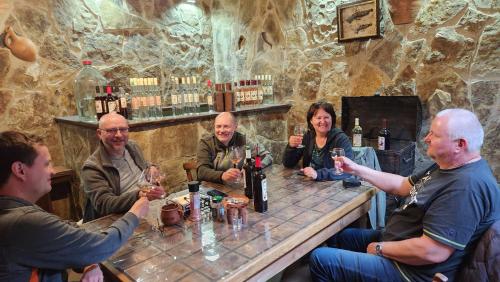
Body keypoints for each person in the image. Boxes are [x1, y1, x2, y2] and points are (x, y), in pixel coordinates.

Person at [309, 108, 500, 282]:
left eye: (434, 134)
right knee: (342, 237)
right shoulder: (447, 166)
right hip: (397, 241)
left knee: (320, 258)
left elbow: (432, 251)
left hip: (409, 272)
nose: (426, 138)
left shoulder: (466, 186)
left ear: (459, 144)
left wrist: (379, 248)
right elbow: (402, 185)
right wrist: (356, 168)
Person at [0, 130, 149, 282]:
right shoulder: (22, 222)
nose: (52, 171)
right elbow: (101, 246)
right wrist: (135, 213)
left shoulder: (15, 210)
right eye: (46, 164)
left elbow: (67, 229)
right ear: (20, 170)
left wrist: (88, 260)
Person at [82, 112, 164, 222]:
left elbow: (144, 166)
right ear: (99, 133)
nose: (119, 135)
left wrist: (152, 167)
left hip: (146, 207)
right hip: (120, 218)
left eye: (123, 129)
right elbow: (104, 204)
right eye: (111, 130)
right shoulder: (92, 168)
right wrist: (139, 195)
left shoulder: (131, 146)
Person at [283, 101, 353, 180]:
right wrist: (291, 147)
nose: (322, 121)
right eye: (318, 118)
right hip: (309, 184)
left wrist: (318, 174)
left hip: (332, 186)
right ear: (311, 121)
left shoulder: (341, 139)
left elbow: (347, 170)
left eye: (326, 117)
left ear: (332, 119)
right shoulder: (308, 136)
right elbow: (288, 164)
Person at [197, 112, 273, 184]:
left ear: (235, 127)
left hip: (236, 188)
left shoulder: (243, 140)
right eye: (218, 126)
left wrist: (252, 167)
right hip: (212, 189)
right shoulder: (206, 143)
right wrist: (222, 175)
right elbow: (201, 171)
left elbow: (267, 156)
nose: (222, 130)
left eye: (226, 126)